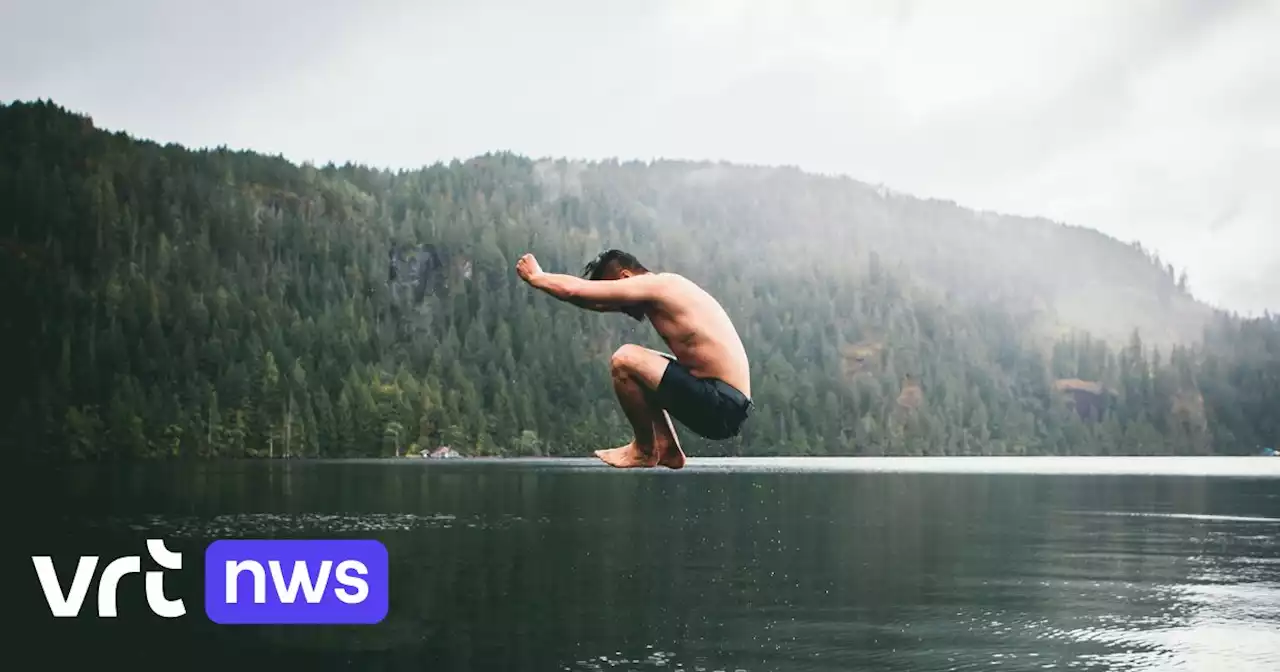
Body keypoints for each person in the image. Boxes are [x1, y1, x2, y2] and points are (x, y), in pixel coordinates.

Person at [516, 249, 752, 469]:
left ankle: (645, 449)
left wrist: (538, 277)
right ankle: (666, 447)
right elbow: (588, 300)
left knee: (625, 359)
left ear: (625, 277)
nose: (618, 307)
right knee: (646, 367)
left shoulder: (658, 285)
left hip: (722, 403)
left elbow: (574, 290)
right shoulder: (662, 291)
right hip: (726, 403)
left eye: (615, 294)